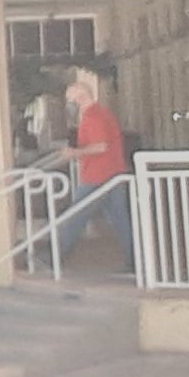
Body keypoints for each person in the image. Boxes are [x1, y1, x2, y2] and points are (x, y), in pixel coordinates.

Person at [57, 69, 134, 272]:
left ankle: (55, 256)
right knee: (120, 219)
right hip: (113, 173)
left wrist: (74, 153)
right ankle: (135, 259)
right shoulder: (101, 114)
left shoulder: (93, 117)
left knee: (76, 216)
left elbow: (100, 146)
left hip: (97, 176)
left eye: (70, 100)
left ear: (81, 97)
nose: (68, 104)